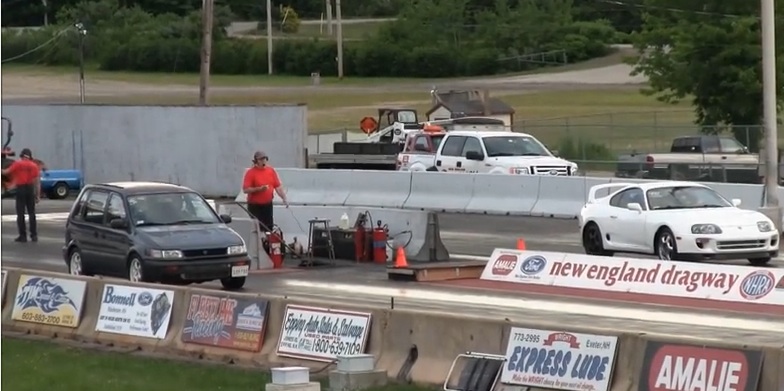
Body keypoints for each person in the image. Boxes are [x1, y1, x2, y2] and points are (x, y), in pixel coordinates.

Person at [242, 151, 288, 232]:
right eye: (261, 159)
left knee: (268, 227)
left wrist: (284, 198)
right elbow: (245, 189)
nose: (263, 161)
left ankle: (268, 242)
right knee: (258, 228)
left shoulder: (271, 171)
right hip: (255, 206)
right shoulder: (251, 173)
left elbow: (277, 186)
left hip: (267, 205)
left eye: (265, 159)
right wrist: (259, 189)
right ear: (256, 161)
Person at [2, 148, 41, 242]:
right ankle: (34, 235)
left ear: (22, 155)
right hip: (30, 189)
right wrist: (37, 195)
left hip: (20, 189)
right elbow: (37, 182)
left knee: (20, 214)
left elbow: (5, 172)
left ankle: (22, 236)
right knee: (32, 213)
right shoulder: (34, 165)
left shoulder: (18, 164)